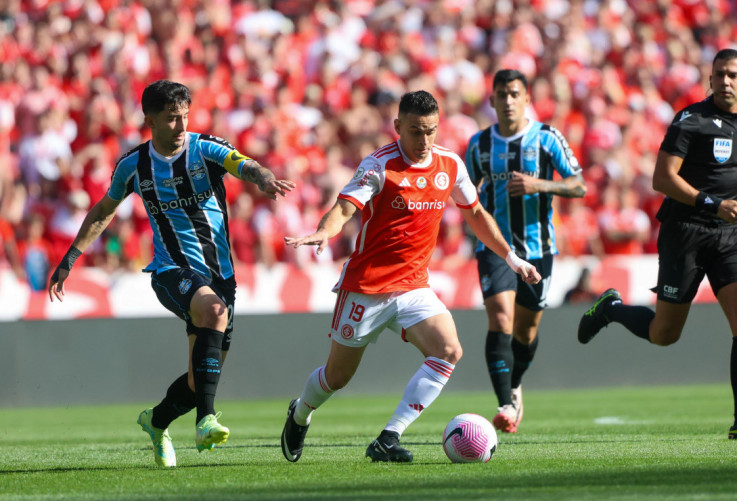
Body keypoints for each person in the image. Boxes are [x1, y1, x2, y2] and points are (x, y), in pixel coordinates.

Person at [280, 90, 541, 463]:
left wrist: (514, 260)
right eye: (416, 132)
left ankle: (388, 437)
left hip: (414, 285)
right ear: (398, 126)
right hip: (366, 287)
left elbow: (477, 215)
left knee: (449, 349)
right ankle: (301, 412)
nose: (424, 141)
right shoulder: (378, 165)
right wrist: (325, 230)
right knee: (337, 377)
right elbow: (344, 208)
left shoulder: (450, 165)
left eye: (431, 131)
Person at [48, 80, 295, 467]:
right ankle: (205, 421)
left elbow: (243, 164)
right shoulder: (134, 165)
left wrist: (262, 177)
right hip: (170, 269)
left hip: (220, 277)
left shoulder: (205, 148)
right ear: (150, 119)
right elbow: (103, 211)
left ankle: (156, 422)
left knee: (200, 380)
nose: (180, 127)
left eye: (184, 117)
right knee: (213, 314)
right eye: (171, 119)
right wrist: (70, 258)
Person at [577, 48, 737, 439]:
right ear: (710, 80)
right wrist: (713, 203)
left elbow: (735, 176)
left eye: (733, 75)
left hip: (729, 235)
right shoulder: (690, 120)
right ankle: (611, 308)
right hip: (686, 231)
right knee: (664, 334)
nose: (725, 82)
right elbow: (662, 179)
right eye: (719, 75)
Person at [464, 69, 586, 433]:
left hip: (539, 246)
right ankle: (504, 403)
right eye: (501, 94)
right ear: (492, 100)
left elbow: (578, 185)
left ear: (527, 98)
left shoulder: (548, 138)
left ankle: (514, 382)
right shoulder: (479, 145)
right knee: (500, 317)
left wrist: (539, 184)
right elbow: (465, 194)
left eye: (514, 94)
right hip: (496, 246)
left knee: (526, 332)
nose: (508, 101)